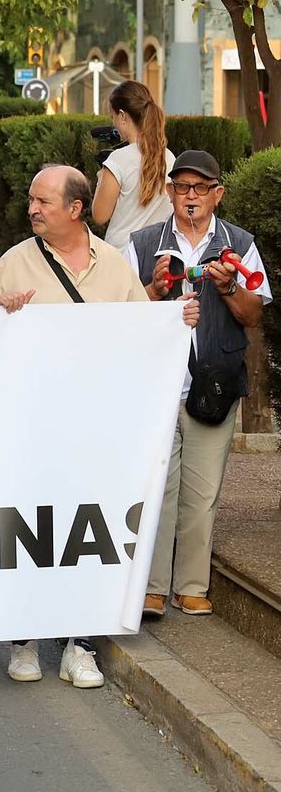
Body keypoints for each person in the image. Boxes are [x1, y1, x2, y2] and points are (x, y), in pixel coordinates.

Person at [0, 165, 199, 689]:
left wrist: (176, 322)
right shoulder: (15, 262)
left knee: (88, 536)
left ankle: (80, 645)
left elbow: (140, 329)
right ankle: (25, 638)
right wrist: (3, 315)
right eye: (31, 200)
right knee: (31, 533)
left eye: (43, 201)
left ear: (76, 210)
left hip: (98, 433)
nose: (32, 209)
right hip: (31, 433)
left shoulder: (115, 266)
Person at [130, 151, 269, 620]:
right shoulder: (144, 241)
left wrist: (229, 288)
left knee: (202, 491)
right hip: (155, 385)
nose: (191, 196)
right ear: (169, 192)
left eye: (200, 188)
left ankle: (191, 585)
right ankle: (150, 588)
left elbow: (254, 316)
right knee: (158, 488)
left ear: (217, 194)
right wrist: (152, 289)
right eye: (183, 187)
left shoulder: (239, 243)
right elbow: (125, 316)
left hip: (215, 385)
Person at [95, 80, 175, 251]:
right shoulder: (169, 157)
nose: (114, 123)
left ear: (123, 116)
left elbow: (100, 215)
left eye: (113, 117)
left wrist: (101, 181)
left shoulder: (118, 160)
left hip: (121, 256)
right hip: (159, 256)